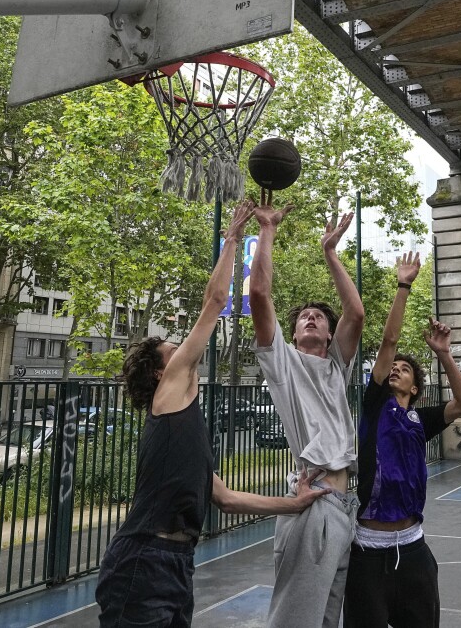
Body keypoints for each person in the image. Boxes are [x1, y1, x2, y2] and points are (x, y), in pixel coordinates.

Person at [95, 201, 330, 628]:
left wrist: (294, 505)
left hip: (175, 563)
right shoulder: (167, 397)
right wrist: (236, 237)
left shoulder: (183, 428)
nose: (186, 351)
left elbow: (224, 497)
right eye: (175, 350)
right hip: (143, 560)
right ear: (160, 371)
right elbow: (217, 299)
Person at [345, 252, 461, 628]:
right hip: (368, 549)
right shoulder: (375, 406)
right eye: (393, 368)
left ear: (415, 386)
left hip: (413, 547)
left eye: (404, 369)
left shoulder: (421, 419)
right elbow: (388, 341)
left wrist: (444, 354)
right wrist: (404, 285)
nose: (396, 370)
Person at [251, 203, 365, 628]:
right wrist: (267, 230)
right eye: (303, 317)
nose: (311, 318)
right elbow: (259, 295)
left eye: (318, 316)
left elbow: (356, 313)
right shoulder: (282, 363)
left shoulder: (336, 365)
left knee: (326, 621)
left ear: (330, 334)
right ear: (294, 332)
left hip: (344, 506)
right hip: (314, 503)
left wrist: (330, 253)